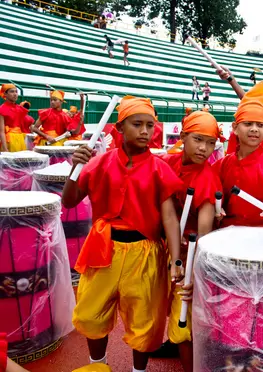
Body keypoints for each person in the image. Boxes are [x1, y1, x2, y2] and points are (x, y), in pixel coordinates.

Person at [62, 95, 184, 372]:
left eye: (150, 125)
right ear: (119, 128)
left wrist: (176, 259)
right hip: (102, 250)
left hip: (145, 254)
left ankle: (138, 371)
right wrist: (75, 167)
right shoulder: (98, 163)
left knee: (144, 320)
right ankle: (98, 365)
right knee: (91, 314)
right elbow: (69, 201)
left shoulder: (159, 169)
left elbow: (169, 219)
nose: (145, 131)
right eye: (137, 124)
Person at [159, 111, 221, 372]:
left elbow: (204, 232)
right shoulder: (166, 163)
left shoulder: (207, 178)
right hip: (165, 248)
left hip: (190, 254)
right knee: (164, 306)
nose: (204, 148)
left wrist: (196, 271)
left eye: (210, 143)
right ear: (183, 136)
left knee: (184, 318)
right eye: (198, 140)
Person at [213, 82, 263, 228]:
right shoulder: (221, 165)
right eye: (248, 124)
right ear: (235, 128)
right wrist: (216, 210)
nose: (254, 129)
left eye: (260, 125)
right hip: (229, 235)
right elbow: (215, 202)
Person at [0, 83, 27, 152]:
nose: (15, 94)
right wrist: (5, 148)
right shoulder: (2, 109)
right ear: (5, 94)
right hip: (8, 141)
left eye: (16, 91)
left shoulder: (20, 109)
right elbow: (1, 131)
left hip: (20, 139)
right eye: (12, 92)